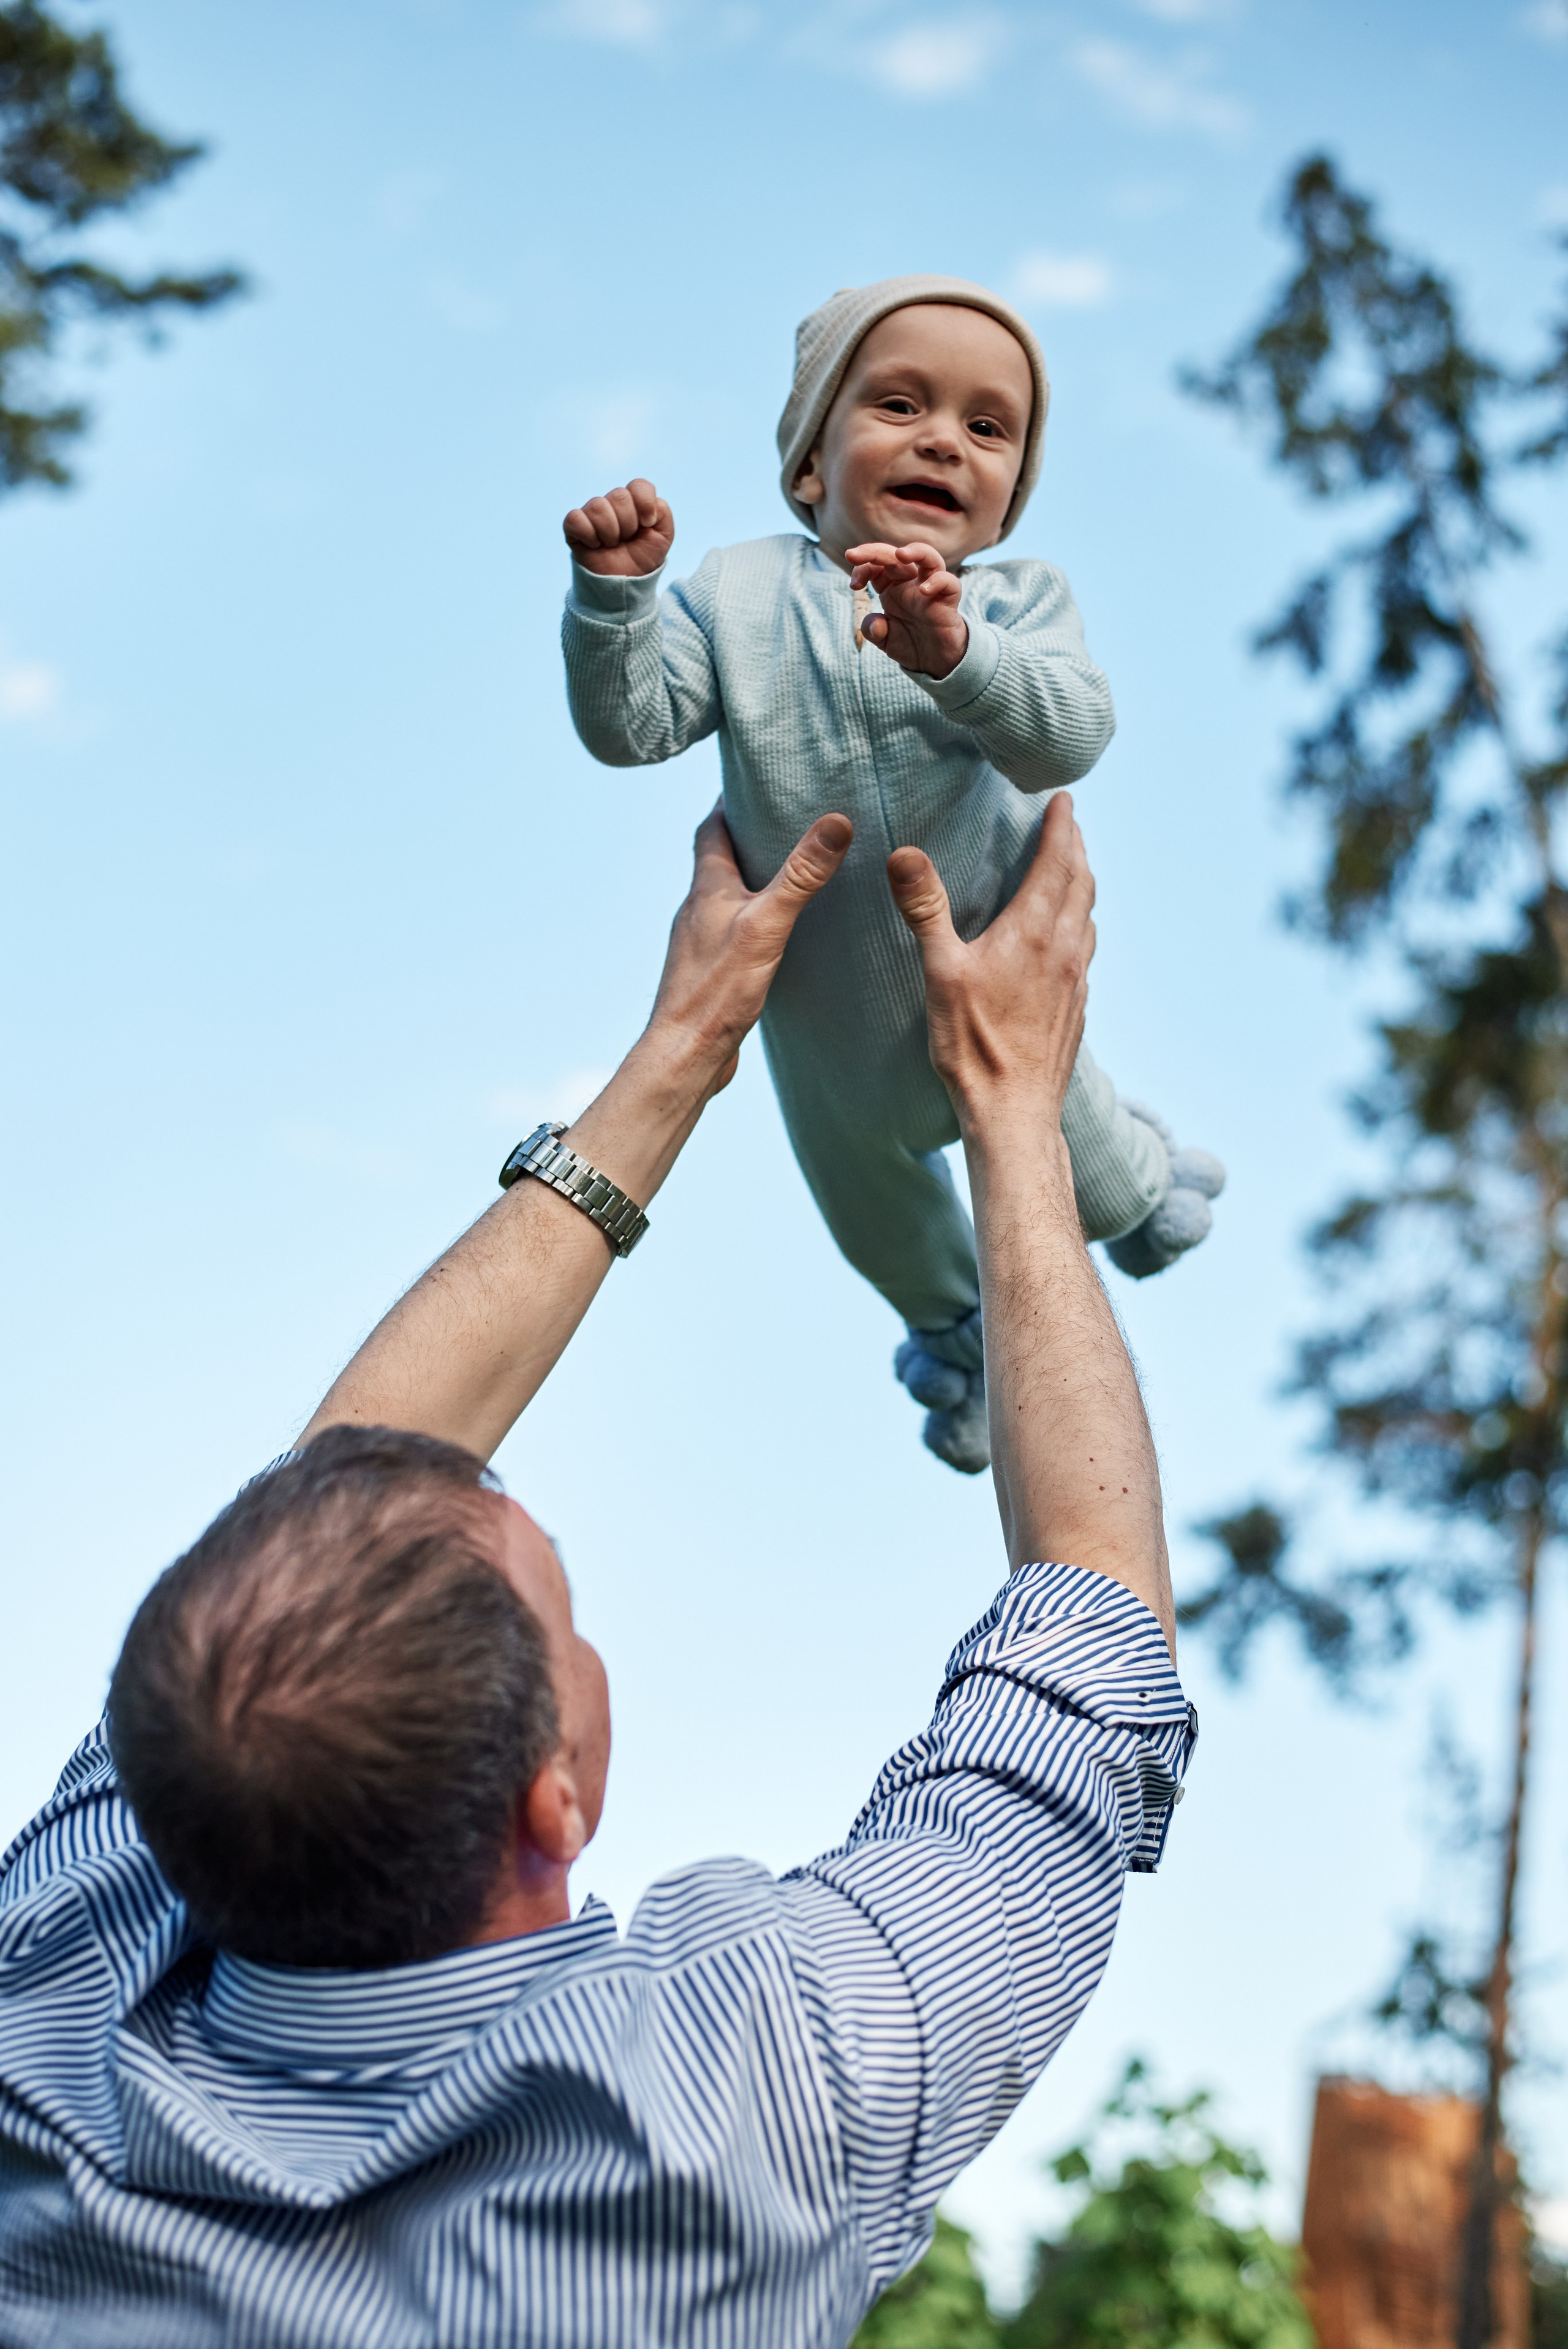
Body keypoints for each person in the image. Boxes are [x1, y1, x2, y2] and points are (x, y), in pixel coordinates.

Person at [0, 795, 1196, 2349]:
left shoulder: (51, 2027)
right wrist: (1014, 1097)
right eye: (566, 1620)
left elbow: (317, 1527)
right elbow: (1093, 1614)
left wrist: (682, 1048)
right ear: (548, 1798)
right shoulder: (750, 2100)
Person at [562, 272, 1224, 1474]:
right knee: (863, 1200)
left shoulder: (1015, 603)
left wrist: (958, 657)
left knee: (1069, 1125)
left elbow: (1066, 735)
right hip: (824, 1017)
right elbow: (636, 727)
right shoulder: (738, 591)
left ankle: (1139, 1192)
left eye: (984, 428)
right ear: (810, 463)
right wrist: (616, 605)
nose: (939, 439)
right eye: (898, 405)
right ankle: (954, 1336)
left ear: (1009, 499)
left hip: (988, 954)